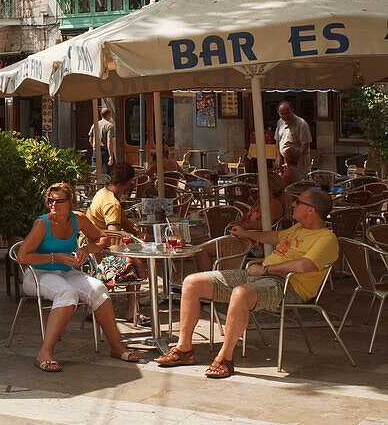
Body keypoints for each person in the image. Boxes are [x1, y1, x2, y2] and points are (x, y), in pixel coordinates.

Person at [156, 188, 338, 378]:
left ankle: (225, 358)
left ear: (311, 210)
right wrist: (247, 234)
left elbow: (304, 265)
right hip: (259, 274)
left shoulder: (326, 239)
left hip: (287, 286)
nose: (293, 204)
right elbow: (276, 237)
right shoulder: (299, 228)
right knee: (192, 282)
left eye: (298, 202)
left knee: (241, 293)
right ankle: (184, 350)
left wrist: (265, 269)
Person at [16, 182, 142, 371]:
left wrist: (86, 249)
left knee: (99, 288)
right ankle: (45, 353)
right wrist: (54, 257)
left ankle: (116, 347)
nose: (54, 204)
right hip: (38, 274)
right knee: (67, 294)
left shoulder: (78, 219)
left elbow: (103, 238)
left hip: (67, 272)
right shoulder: (43, 223)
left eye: (60, 201)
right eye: (51, 200)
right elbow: (22, 257)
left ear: (70, 202)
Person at [86, 162, 149, 326]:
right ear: (129, 182)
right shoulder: (112, 203)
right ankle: (131, 311)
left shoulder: (103, 193)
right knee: (134, 265)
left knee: (133, 259)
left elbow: (122, 219)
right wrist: (135, 259)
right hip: (101, 254)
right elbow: (115, 238)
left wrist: (137, 231)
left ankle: (92, 308)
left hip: (91, 247)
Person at [274, 102, 312, 181]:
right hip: (286, 159)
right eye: (282, 114)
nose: (285, 116)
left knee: (299, 183)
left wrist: (295, 160)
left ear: (292, 111)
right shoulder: (280, 122)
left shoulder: (301, 124)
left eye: (287, 113)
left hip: (299, 159)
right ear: (278, 113)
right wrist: (278, 156)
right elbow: (277, 140)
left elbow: (305, 144)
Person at [89, 107, 116, 172]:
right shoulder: (109, 125)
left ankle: (95, 182)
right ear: (109, 115)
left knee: (95, 171)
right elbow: (109, 141)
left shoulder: (95, 124)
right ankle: (109, 182)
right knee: (111, 171)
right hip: (105, 150)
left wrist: (94, 147)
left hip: (96, 151)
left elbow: (90, 139)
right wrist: (111, 156)